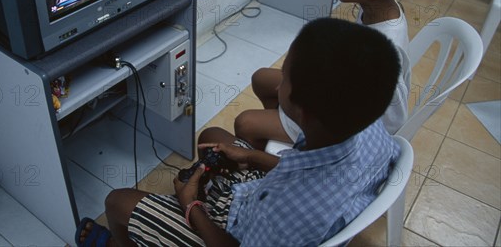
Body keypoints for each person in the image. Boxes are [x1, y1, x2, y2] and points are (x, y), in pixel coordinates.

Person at [75, 17, 402, 246]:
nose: (279, 81)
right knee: (213, 138)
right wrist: (252, 157)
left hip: (245, 232)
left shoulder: (285, 214)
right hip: (266, 205)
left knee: (117, 203)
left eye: (284, 77)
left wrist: (192, 207)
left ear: (301, 110)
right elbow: (311, 172)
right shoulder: (370, 128)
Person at [237, 0, 422, 151]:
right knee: (261, 78)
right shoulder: (379, 10)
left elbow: (391, 123)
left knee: (245, 123)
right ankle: (282, 140)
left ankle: (277, 161)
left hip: (342, 129)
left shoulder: (387, 46)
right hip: (339, 98)